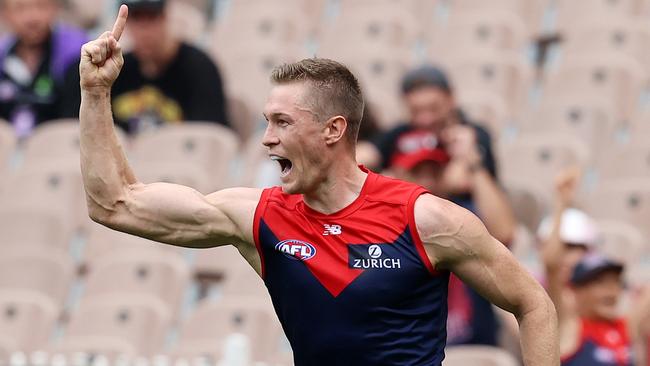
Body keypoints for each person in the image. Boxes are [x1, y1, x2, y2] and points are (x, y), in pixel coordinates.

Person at [78, 7, 558, 365]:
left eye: (282, 122)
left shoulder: (426, 218)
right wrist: (96, 93)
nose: (267, 139)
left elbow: (533, 304)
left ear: (333, 130)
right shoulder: (259, 218)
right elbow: (115, 204)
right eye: (267, 122)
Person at [357, 65, 515, 245]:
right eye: (416, 111)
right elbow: (363, 155)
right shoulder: (399, 133)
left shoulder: (473, 134)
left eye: (433, 108)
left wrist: (472, 163)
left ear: (451, 99)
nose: (426, 119)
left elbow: (504, 233)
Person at [390, 145, 501, 347]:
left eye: (435, 173)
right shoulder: (381, 232)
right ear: (395, 176)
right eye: (417, 173)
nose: (428, 182)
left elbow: (505, 234)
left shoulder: (463, 216)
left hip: (475, 349)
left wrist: (475, 166)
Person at [62, 0, 227, 134]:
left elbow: (208, 136)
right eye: (136, 19)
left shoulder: (199, 68)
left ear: (165, 18)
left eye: (151, 18)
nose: (144, 31)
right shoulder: (118, 70)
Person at [541, 169, 636, 365]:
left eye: (615, 283)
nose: (612, 290)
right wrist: (562, 204)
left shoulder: (624, 327)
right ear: (577, 291)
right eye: (600, 283)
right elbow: (551, 265)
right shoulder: (569, 327)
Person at [0, 0, 87, 138]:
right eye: (20, 8)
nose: (32, 17)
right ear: (5, 13)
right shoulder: (3, 54)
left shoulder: (78, 52)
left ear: (55, 7)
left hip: (60, 150)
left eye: (41, 5)